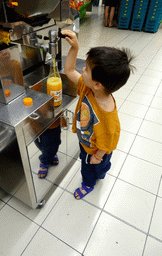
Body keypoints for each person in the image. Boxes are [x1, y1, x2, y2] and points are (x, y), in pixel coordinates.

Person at [61, 29, 134, 199]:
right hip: (86, 142)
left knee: (90, 167)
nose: (82, 70)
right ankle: (100, 169)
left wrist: (98, 156)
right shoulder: (89, 89)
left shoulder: (107, 115)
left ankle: (88, 184)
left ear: (98, 84)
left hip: (96, 150)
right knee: (93, 164)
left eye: (86, 69)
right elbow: (70, 71)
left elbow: (108, 140)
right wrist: (74, 48)